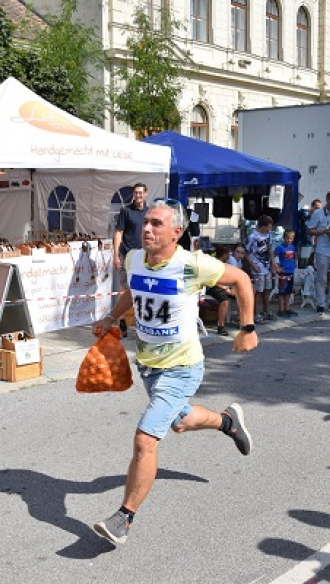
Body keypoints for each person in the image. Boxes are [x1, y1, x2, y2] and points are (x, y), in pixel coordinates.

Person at [91, 199, 257, 546]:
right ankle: (229, 422)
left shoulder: (191, 264)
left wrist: (247, 328)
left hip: (182, 368)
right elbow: (131, 290)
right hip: (149, 366)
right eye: (145, 223)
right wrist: (112, 317)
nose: (146, 229)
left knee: (145, 439)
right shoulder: (135, 258)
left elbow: (241, 279)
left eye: (156, 224)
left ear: (176, 233)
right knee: (180, 422)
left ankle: (124, 518)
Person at [113, 183, 148, 336]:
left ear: (145, 194)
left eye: (140, 193)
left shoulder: (149, 212)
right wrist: (115, 255)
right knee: (124, 288)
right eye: (135, 193)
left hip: (145, 256)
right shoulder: (125, 211)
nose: (138, 196)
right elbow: (118, 233)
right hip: (127, 255)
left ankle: (142, 321)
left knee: (143, 289)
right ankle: (121, 322)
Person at [307, 191, 330, 316]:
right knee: (321, 279)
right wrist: (322, 232)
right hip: (323, 250)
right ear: (327, 201)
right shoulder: (318, 213)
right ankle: (321, 304)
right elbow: (309, 230)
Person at [246, 214, 278, 324]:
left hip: (267, 266)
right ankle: (256, 313)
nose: (269, 229)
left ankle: (266, 310)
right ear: (262, 226)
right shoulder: (252, 236)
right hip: (257, 266)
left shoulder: (268, 235)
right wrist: (252, 265)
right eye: (268, 226)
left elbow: (270, 248)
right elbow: (245, 252)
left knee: (267, 289)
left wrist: (273, 263)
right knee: (258, 291)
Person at [204, 244, 232, 336]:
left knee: (241, 294)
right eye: (228, 253)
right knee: (224, 300)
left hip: (221, 285)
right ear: (224, 254)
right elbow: (212, 280)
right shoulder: (213, 263)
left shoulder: (224, 263)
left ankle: (242, 320)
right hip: (210, 286)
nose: (229, 255)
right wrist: (225, 288)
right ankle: (221, 326)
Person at [274, 229, 298, 318]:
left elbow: (293, 257)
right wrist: (277, 267)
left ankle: (287, 308)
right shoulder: (280, 247)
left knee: (289, 291)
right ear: (284, 238)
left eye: (291, 238)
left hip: (291, 272)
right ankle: (281, 309)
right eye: (287, 238)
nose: (289, 240)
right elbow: (273, 255)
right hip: (283, 273)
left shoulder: (293, 247)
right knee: (282, 291)